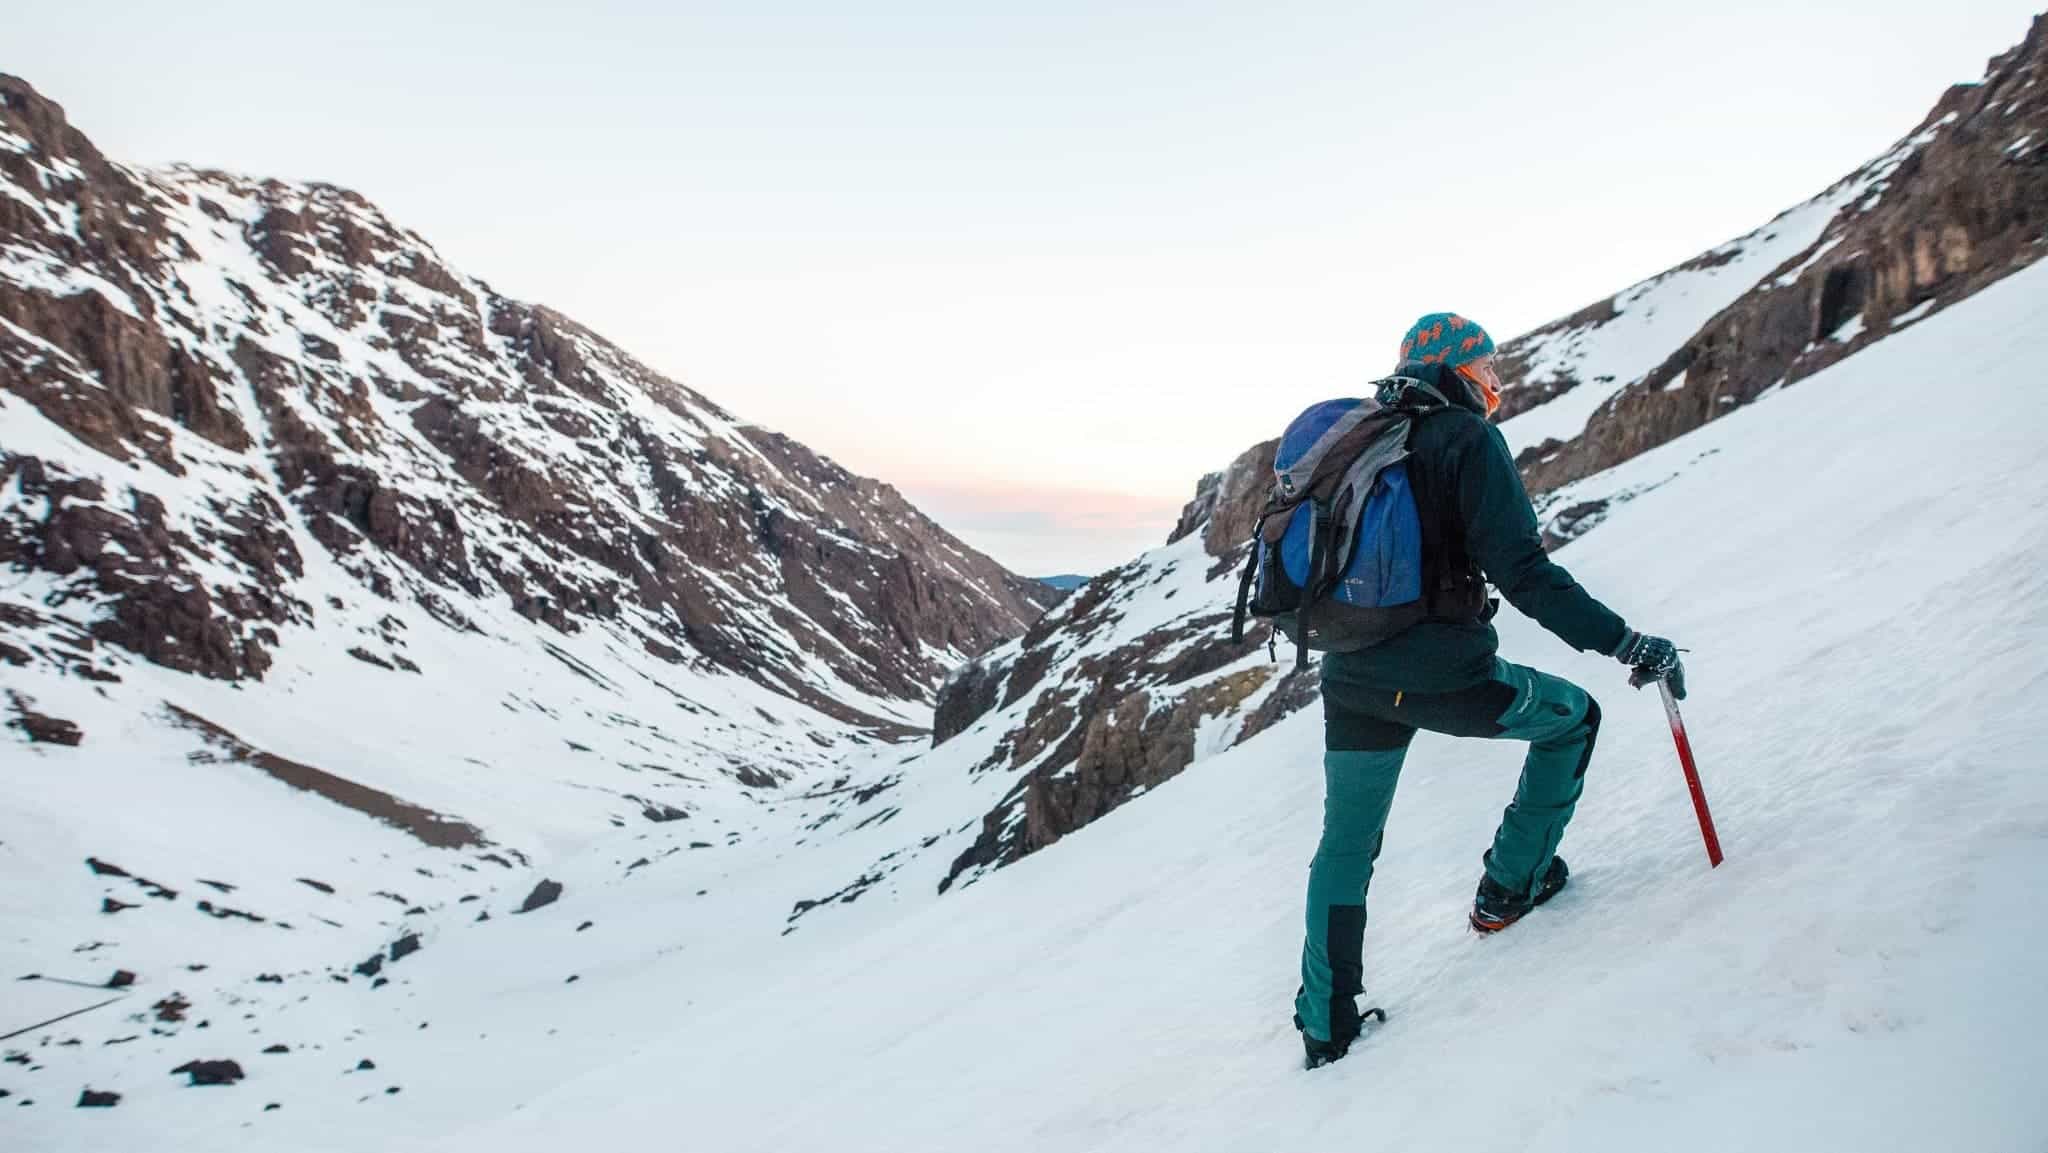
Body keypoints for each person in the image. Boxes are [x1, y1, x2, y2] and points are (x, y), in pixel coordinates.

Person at [1293, 312, 1685, 1070]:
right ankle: (1509, 888)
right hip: (1444, 673)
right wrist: (1625, 642)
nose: (1496, 386)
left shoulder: (1370, 436)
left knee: (1345, 845)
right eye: (1488, 371)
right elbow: (1526, 573)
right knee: (1572, 718)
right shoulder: (1467, 438)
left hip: (1351, 677)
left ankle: (1324, 1024)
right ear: (1463, 373)